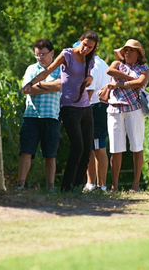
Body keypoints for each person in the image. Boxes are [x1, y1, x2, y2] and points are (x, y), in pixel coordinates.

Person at [23, 30, 99, 192]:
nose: (86, 49)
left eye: (90, 47)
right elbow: (48, 71)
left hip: (85, 106)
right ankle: (67, 186)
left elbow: (89, 76)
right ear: (80, 40)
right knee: (77, 146)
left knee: (87, 148)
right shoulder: (68, 55)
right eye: (85, 45)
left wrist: (90, 79)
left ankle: (78, 185)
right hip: (69, 107)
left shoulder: (89, 59)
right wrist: (31, 83)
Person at [102, 39, 149, 192]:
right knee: (115, 149)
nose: (128, 53)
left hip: (134, 109)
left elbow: (141, 82)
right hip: (115, 109)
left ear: (138, 53)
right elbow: (109, 71)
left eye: (131, 50)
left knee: (136, 146)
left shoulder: (144, 68)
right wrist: (131, 79)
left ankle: (135, 184)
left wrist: (120, 84)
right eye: (126, 50)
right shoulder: (117, 64)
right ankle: (114, 186)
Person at [16, 38, 62, 192]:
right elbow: (26, 89)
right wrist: (50, 87)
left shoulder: (60, 68)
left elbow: (61, 85)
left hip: (51, 116)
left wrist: (39, 85)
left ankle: (50, 188)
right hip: (32, 115)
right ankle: (20, 184)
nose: (40, 58)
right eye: (37, 55)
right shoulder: (31, 69)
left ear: (52, 53)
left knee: (50, 154)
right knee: (26, 151)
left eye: (43, 54)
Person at [85, 54, 110, 192]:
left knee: (97, 147)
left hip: (95, 107)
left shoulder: (92, 65)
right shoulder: (103, 63)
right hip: (102, 106)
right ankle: (94, 184)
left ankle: (98, 185)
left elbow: (89, 91)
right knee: (93, 147)